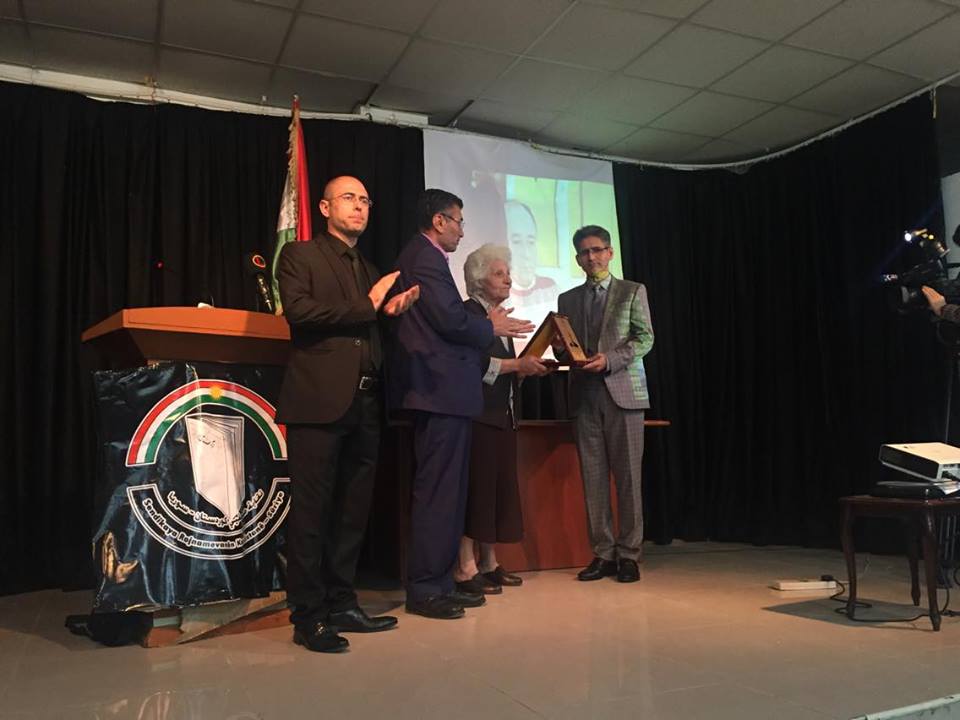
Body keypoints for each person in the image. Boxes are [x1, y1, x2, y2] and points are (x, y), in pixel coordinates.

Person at [275, 175, 419, 653]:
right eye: (348, 199)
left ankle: (341, 602)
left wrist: (389, 313)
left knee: (352, 513)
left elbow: (364, 329)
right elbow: (299, 313)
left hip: (366, 402)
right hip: (318, 402)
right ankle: (308, 616)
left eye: (365, 200)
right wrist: (369, 305)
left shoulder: (369, 267)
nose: (359, 207)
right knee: (312, 513)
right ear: (324, 207)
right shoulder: (300, 256)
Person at [386, 189, 534, 619]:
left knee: (448, 495)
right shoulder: (424, 257)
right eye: (459, 221)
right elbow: (449, 320)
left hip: (445, 394)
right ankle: (426, 588)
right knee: (437, 494)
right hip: (438, 392)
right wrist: (488, 325)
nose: (462, 231)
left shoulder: (428, 258)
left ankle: (439, 581)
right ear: (439, 221)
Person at [554, 225, 654, 584]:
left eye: (597, 250)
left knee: (628, 479)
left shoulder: (632, 290)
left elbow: (645, 338)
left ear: (610, 253)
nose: (591, 257)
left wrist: (609, 359)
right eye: (584, 252)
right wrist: (560, 350)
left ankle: (629, 555)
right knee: (593, 479)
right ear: (577, 258)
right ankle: (603, 553)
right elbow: (564, 348)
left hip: (624, 393)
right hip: (584, 395)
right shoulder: (566, 299)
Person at [454, 244, 550, 595]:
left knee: (495, 491)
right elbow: (471, 366)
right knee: (476, 491)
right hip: (477, 417)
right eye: (499, 273)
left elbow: (501, 372)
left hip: (502, 416)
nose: (508, 279)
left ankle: (489, 563)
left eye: (507, 273)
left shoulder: (499, 315)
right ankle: (465, 567)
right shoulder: (468, 315)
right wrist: (515, 365)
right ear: (479, 279)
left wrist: (524, 369)